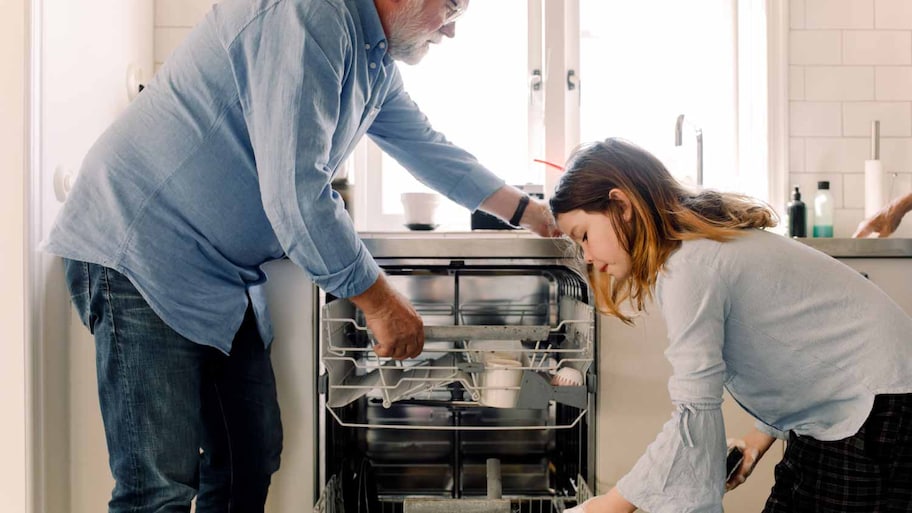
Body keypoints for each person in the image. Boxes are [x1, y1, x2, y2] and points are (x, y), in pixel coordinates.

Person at [41, 0, 557, 511]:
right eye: (450, 8)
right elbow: (295, 193)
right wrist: (379, 303)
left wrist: (526, 210)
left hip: (219, 274)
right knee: (159, 490)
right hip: (143, 251)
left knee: (249, 459)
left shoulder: (370, 57)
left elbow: (424, 146)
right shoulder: (309, 14)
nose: (449, 32)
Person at [552, 138, 912, 513]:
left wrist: (610, 505)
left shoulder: (688, 266)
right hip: (851, 401)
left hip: (880, 402)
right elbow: (797, 345)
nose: (588, 257)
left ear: (621, 206)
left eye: (584, 236)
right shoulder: (698, 250)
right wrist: (761, 437)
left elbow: (694, 414)